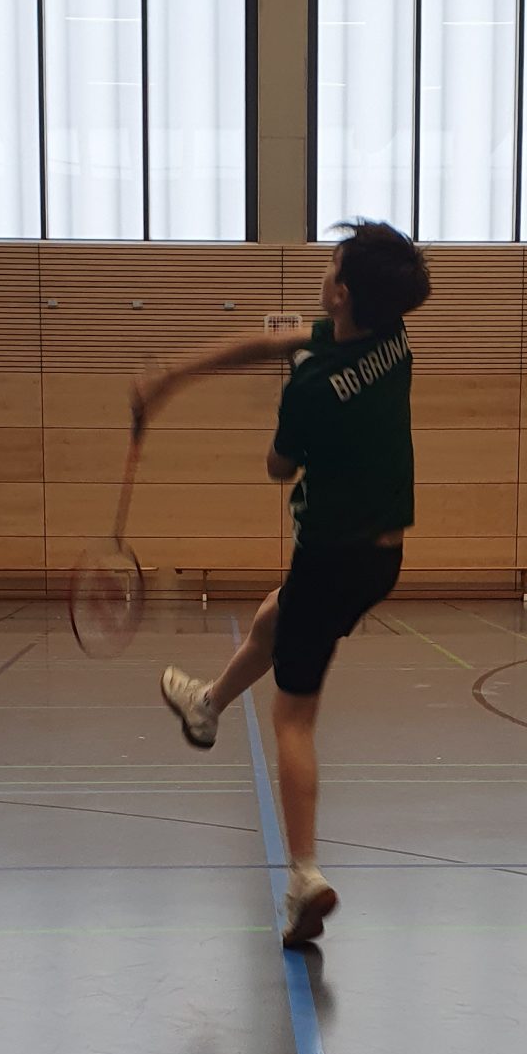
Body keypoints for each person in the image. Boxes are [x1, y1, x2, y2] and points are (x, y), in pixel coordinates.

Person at [138, 219, 428, 949]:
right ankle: (207, 704)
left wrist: (291, 404)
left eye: (332, 266)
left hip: (329, 558)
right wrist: (175, 373)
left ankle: (304, 875)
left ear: (343, 293)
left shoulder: (311, 388)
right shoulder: (393, 340)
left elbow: (278, 468)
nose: (323, 273)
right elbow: (274, 342)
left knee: (294, 718)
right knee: (277, 616)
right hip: (381, 560)